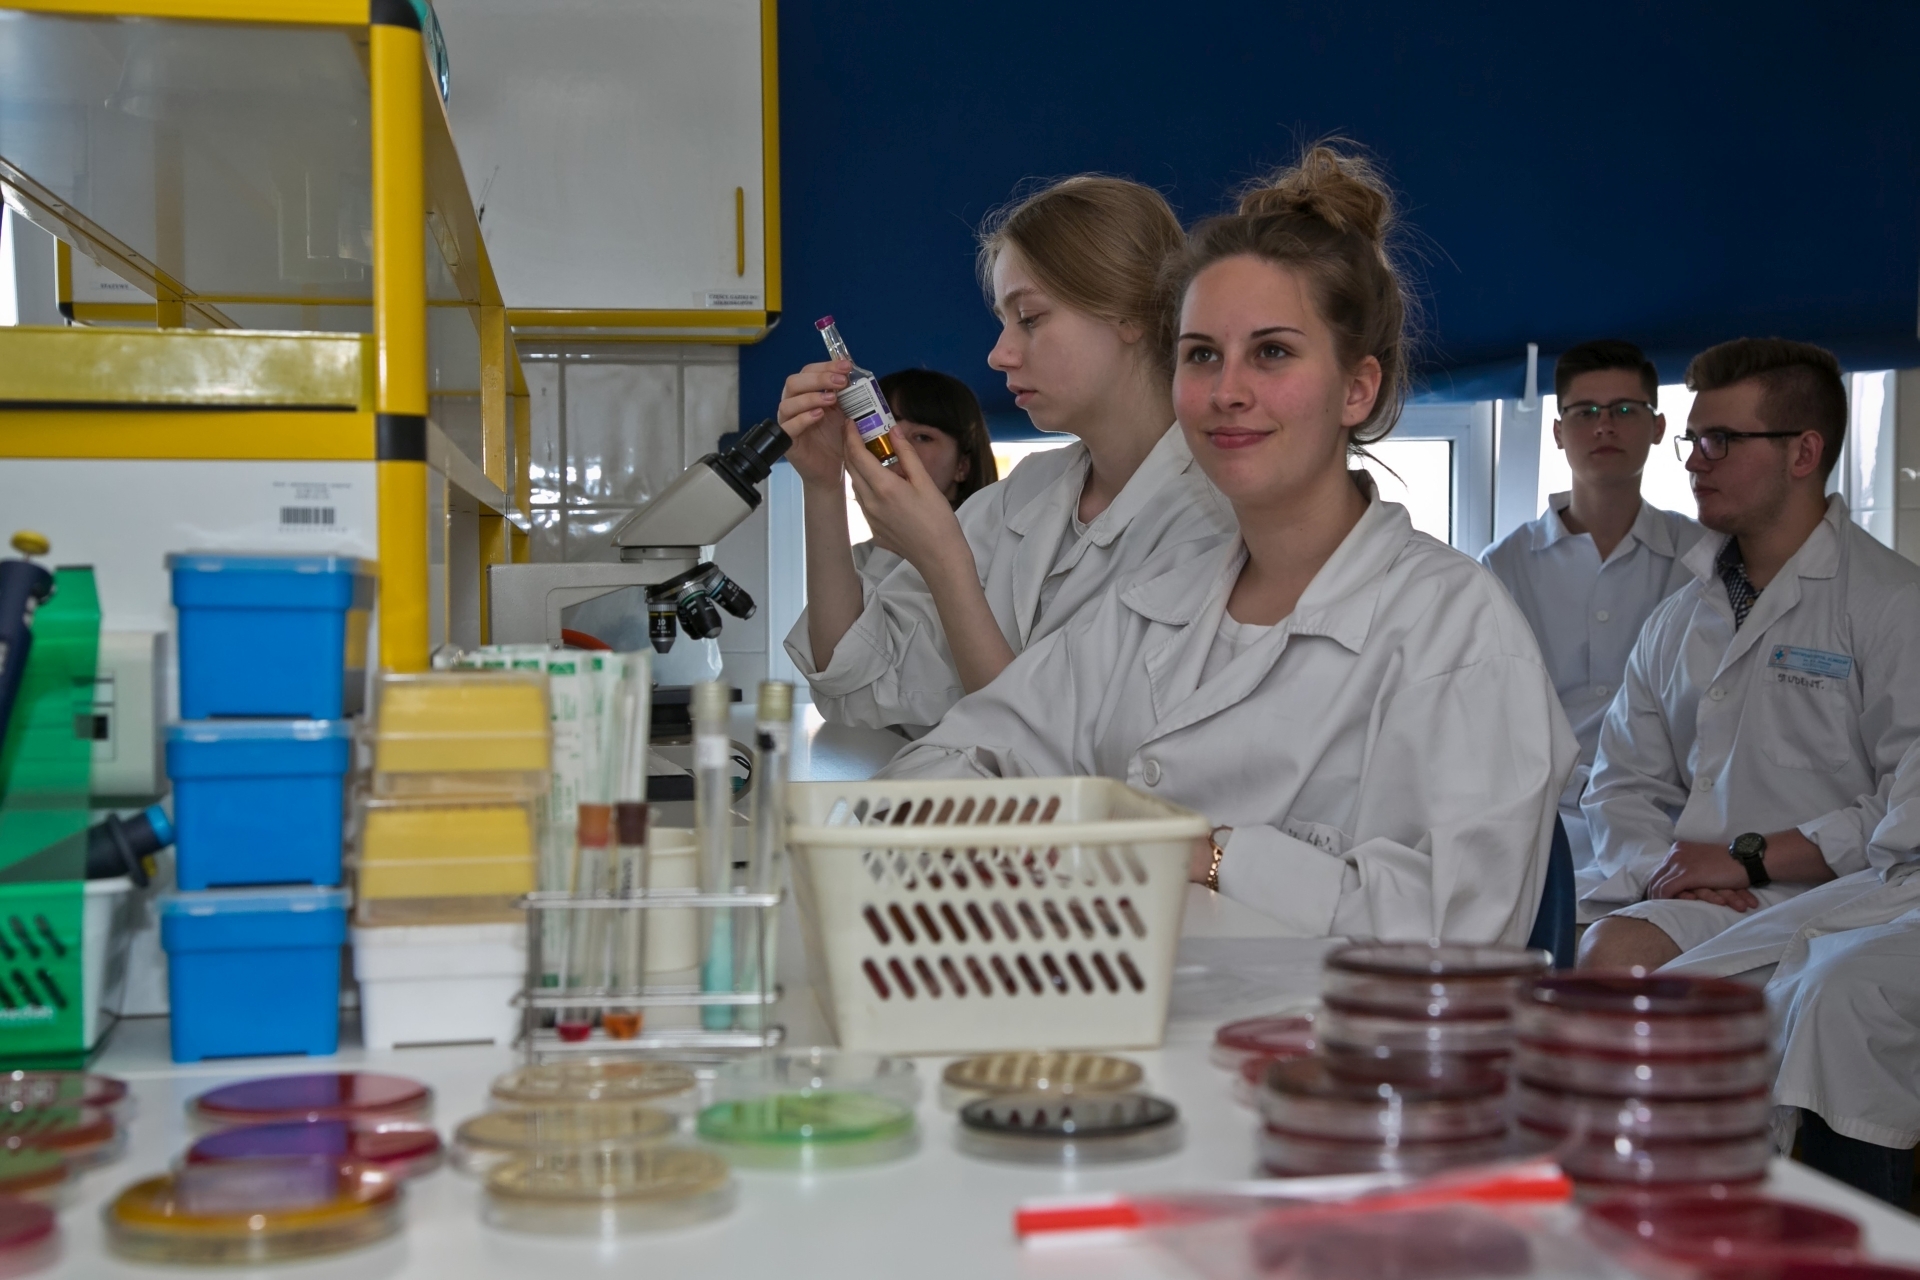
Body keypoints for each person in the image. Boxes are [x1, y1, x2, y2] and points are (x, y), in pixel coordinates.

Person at [883, 146, 1576, 945]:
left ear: (1358, 389)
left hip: (1329, 1026)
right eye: (1201, 354)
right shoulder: (1150, 606)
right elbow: (959, 755)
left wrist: (1210, 856)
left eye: (1272, 352)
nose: (1227, 391)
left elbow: (1465, 933)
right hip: (1126, 1002)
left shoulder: (1456, 630)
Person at [781, 177, 1234, 736]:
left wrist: (945, 561)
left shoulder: (1215, 521)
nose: (998, 355)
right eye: (1003, 321)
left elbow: (1052, 754)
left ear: (1131, 314)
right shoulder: (1021, 499)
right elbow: (852, 684)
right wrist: (822, 486)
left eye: (1031, 318)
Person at [1576, 338, 1920, 970]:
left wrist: (1747, 859)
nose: (1694, 462)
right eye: (1693, 440)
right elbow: (1623, 784)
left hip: (1841, 899)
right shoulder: (1675, 620)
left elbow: (1907, 806)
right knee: (1537, 942)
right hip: (1702, 896)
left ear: (1803, 453)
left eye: (1721, 441)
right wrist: (1668, 873)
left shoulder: (1894, 605)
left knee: (1614, 957)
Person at [1479, 340, 1704, 893]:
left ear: (1658, 426)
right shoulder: (1503, 566)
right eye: (1585, 413)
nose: (1605, 426)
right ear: (1558, 432)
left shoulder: (1704, 557)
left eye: (1625, 410)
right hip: (1539, 819)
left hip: (1673, 820)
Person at [1663, 737, 1920, 1205]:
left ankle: (1852, 1232)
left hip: (1861, 882)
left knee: (1845, 998)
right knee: (1677, 1000)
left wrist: (1747, 860)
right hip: (1891, 878)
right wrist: (1674, 870)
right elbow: (1894, 812)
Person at [847, 369, 999, 582]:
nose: (897, 448)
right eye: (881, 435)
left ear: (962, 466)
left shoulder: (995, 555)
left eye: (922, 437)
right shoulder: (855, 561)